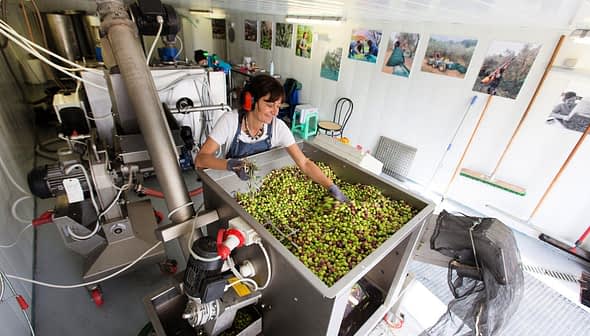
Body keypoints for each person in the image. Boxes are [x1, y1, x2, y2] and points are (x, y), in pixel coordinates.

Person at [195, 74, 348, 202]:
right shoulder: (230, 121)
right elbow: (201, 159)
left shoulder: (278, 127)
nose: (275, 112)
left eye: (278, 106)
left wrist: (331, 186)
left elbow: (305, 163)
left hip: (261, 187)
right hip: (230, 187)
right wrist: (231, 165)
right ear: (251, 102)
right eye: (269, 105)